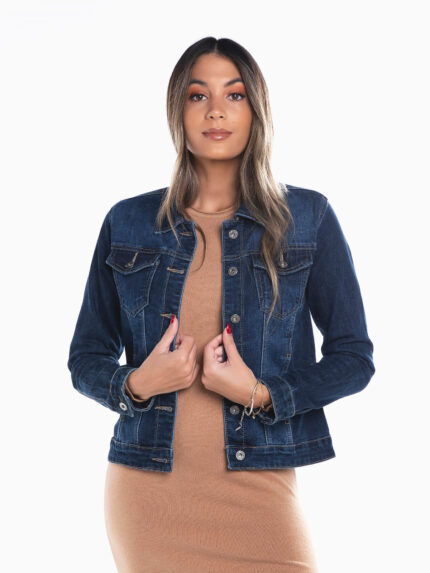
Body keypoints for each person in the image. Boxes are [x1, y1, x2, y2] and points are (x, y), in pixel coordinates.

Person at [67, 37, 375, 572]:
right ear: (177, 112)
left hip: (260, 488)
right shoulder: (128, 222)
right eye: (197, 95)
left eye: (234, 95)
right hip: (148, 492)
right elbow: (85, 358)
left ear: (256, 109)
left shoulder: (307, 218)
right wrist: (139, 383)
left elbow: (354, 358)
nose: (215, 110)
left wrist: (261, 394)